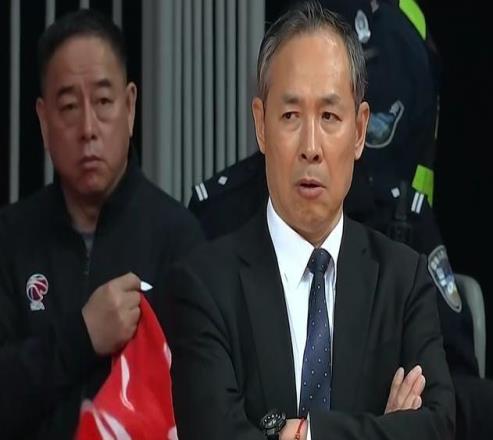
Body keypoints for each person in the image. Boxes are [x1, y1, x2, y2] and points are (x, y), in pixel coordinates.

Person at [164, 2, 454, 438]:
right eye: (291, 116)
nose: (311, 147)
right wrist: (383, 429)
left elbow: (436, 425)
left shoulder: (403, 281)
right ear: (261, 126)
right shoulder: (205, 286)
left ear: (360, 131)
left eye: (330, 116)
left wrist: (308, 434)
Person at [0, 9, 203, 439]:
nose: (88, 128)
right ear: (43, 121)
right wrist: (81, 336)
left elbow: (204, 400)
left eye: (104, 103)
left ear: (130, 107)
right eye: (69, 107)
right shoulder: (11, 238)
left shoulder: (179, 238)